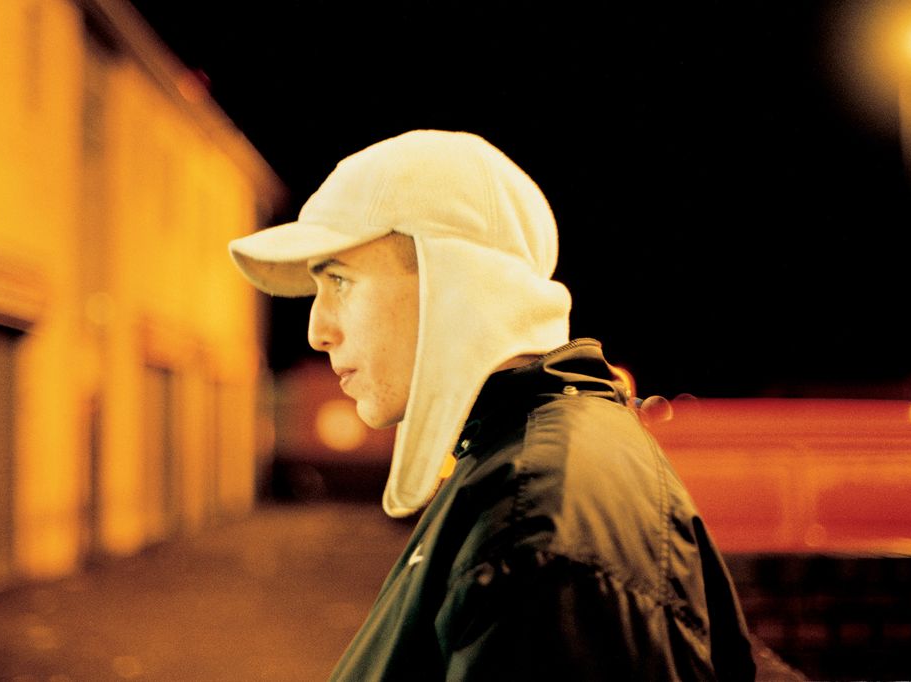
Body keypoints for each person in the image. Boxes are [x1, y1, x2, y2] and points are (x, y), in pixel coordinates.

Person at [228, 130, 756, 680]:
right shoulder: (535, 458)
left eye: (339, 280)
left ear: (453, 280)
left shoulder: (535, 527)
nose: (317, 330)